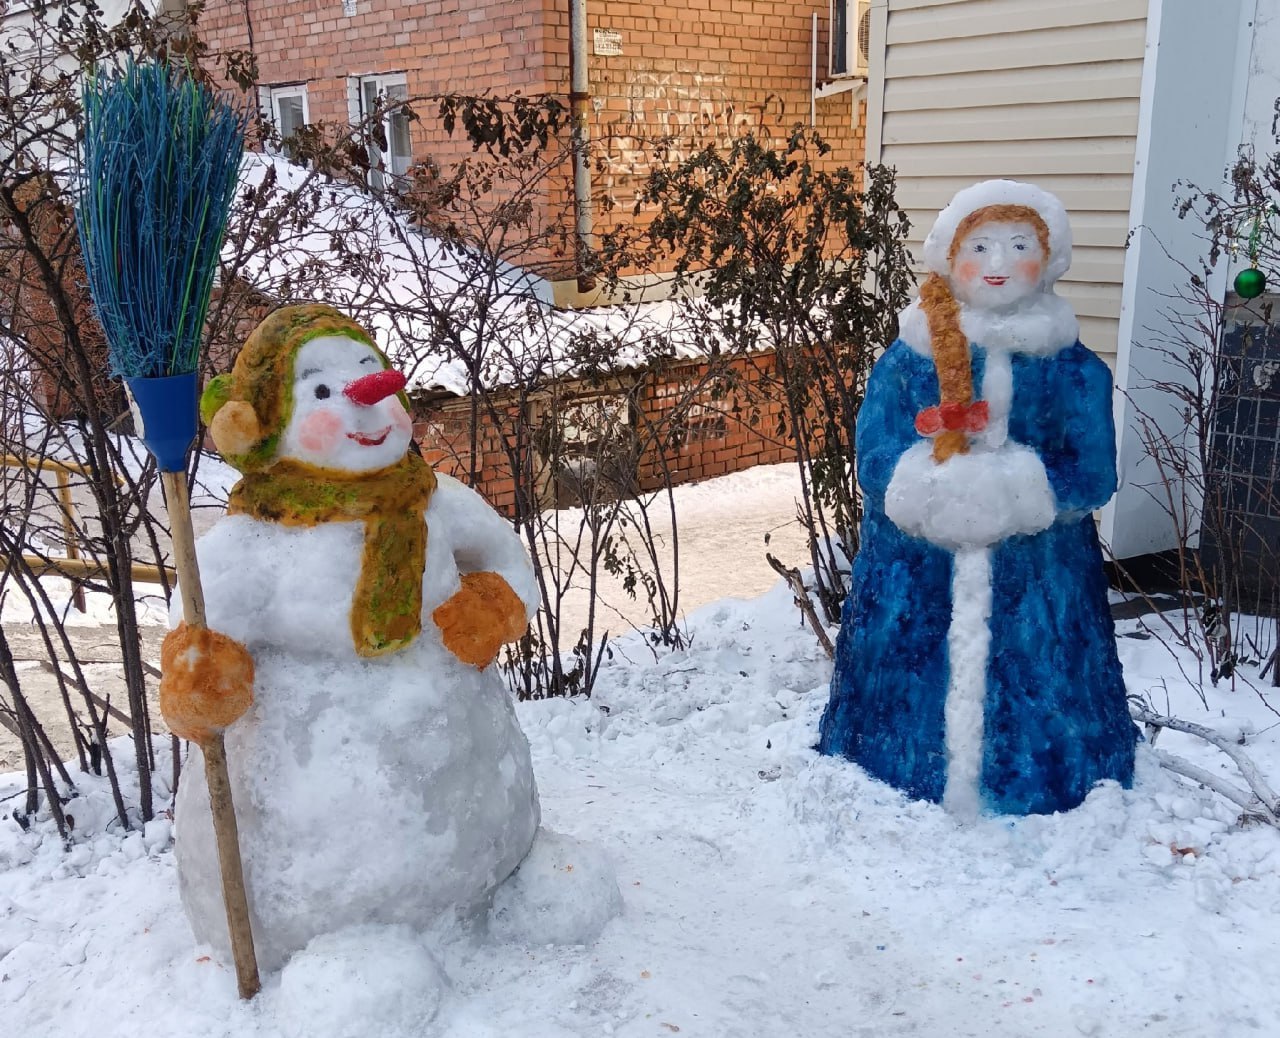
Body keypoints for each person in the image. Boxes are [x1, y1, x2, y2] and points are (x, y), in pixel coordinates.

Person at [817, 180, 1136, 817]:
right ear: (949, 258)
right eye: (981, 246)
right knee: (907, 671)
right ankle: (892, 758)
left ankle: (1042, 773)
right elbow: (875, 452)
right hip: (915, 575)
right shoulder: (910, 361)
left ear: (1047, 262)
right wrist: (921, 487)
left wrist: (1024, 492)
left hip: (1039, 584)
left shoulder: (1072, 369)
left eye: (1018, 246)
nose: (997, 264)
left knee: (1037, 682)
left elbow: (1094, 472)